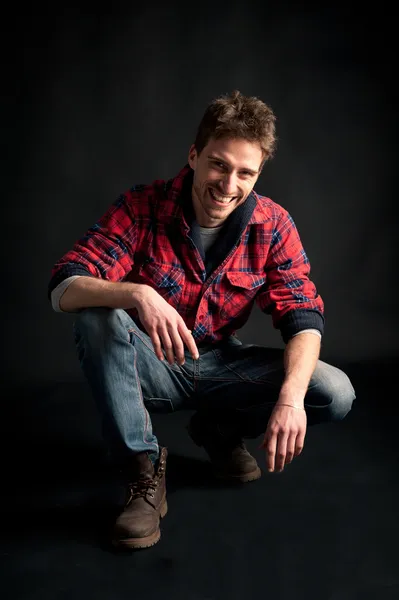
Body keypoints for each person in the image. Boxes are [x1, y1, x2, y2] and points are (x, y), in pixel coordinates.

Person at [48, 90, 356, 550]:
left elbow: (302, 316)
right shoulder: (141, 206)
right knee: (98, 318)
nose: (228, 184)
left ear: (258, 175)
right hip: (152, 365)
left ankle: (220, 430)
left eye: (245, 173)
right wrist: (137, 292)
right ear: (194, 156)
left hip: (222, 365)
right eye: (218, 164)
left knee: (333, 391)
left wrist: (290, 400)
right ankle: (143, 476)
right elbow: (64, 285)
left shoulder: (273, 225)